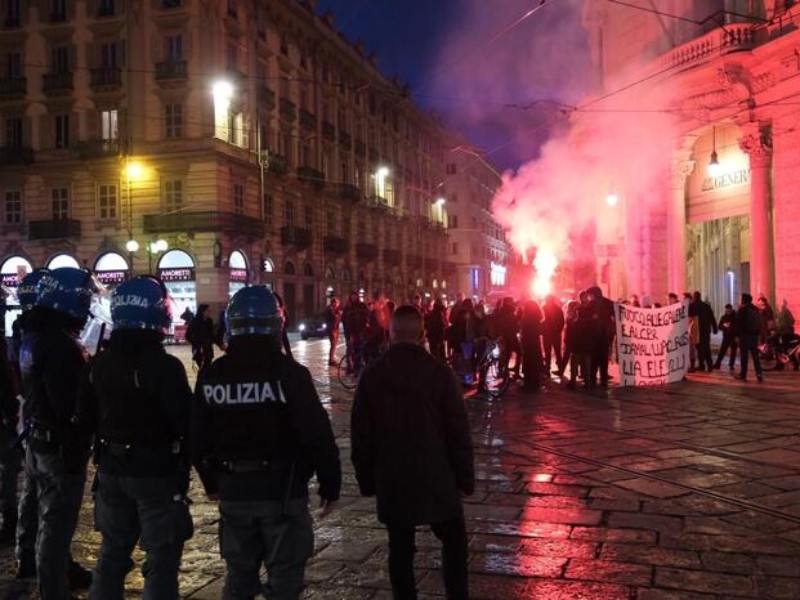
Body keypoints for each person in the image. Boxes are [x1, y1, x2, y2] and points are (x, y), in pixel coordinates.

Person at [191, 286, 341, 600]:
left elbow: (198, 435)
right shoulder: (290, 374)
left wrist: (210, 480)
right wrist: (330, 483)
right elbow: (317, 432)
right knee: (285, 581)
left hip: (234, 489)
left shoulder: (212, 375)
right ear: (276, 323)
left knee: (238, 579)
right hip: (282, 491)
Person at [75, 276, 194, 599]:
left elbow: (83, 419)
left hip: (112, 468)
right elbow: (185, 421)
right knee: (161, 559)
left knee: (112, 553)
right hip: (156, 471)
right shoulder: (165, 367)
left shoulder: (98, 363)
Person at [351, 305, 474, 600]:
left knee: (400, 547)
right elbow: (458, 432)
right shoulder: (439, 373)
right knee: (454, 542)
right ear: (421, 335)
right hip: (437, 474)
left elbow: (361, 436)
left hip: (393, 476)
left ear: (391, 333)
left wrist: (367, 481)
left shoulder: (372, 375)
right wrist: (464, 479)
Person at [19, 267, 97, 598]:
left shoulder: (34, 335)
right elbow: (67, 405)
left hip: (37, 438)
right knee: (56, 526)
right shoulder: (62, 346)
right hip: (58, 447)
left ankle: (35, 566)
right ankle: (54, 589)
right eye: (84, 299)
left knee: (38, 512)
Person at [587, 286, 614, 388]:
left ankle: (602, 380)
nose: (590, 297)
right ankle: (594, 379)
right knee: (595, 359)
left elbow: (615, 314)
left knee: (602, 359)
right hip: (594, 336)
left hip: (604, 335)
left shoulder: (607, 303)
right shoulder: (591, 304)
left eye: (590, 295)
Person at [735, 293, 763, 382]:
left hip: (745, 335)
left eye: (741, 298)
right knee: (755, 356)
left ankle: (743, 374)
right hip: (754, 335)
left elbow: (738, 324)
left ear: (743, 300)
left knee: (744, 356)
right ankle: (759, 374)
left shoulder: (742, 310)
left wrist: (737, 336)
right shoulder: (755, 309)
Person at [519, 299, 543, 391]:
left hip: (529, 344)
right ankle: (534, 383)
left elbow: (523, 329)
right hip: (534, 343)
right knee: (534, 364)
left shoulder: (528, 319)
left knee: (529, 364)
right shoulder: (537, 318)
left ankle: (528, 384)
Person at [692, 291, 717, 372]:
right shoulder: (706, 306)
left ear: (694, 297)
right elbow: (712, 318)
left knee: (699, 349)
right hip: (706, 330)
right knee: (706, 348)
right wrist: (715, 328)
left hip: (698, 330)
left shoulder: (693, 306)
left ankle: (702, 365)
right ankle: (709, 366)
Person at [185, 303, 215, 370]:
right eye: (208, 310)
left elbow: (212, 334)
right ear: (203, 311)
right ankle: (202, 379)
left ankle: (206, 379)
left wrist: (211, 341)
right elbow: (187, 335)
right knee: (201, 367)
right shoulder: (195, 321)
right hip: (198, 348)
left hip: (208, 347)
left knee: (208, 366)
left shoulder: (209, 321)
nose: (210, 312)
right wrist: (195, 342)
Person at [542, 295, 564, 376]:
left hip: (547, 333)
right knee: (557, 352)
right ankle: (560, 369)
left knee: (548, 352)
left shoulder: (544, 308)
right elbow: (562, 321)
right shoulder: (558, 309)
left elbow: (542, 321)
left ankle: (547, 369)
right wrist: (558, 330)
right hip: (555, 334)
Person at [775, 299, 799, 370]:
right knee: (784, 348)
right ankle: (790, 364)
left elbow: (791, 321)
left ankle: (782, 364)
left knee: (784, 348)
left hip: (785, 332)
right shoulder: (781, 311)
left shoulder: (785, 311)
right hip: (783, 332)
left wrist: (785, 326)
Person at [714, 304, 738, 371]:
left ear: (731, 309)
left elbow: (737, 327)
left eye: (728, 310)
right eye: (726, 310)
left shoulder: (735, 317)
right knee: (722, 350)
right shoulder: (723, 317)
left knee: (733, 351)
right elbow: (719, 326)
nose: (727, 311)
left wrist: (731, 327)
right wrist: (724, 325)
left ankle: (731, 365)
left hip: (733, 336)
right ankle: (718, 364)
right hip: (726, 336)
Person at [325, 297, 342, 366]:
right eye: (335, 303)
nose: (337, 304)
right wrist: (338, 315)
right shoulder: (330, 310)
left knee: (334, 345)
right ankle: (331, 360)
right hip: (332, 329)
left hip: (336, 329)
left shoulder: (336, 310)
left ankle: (332, 359)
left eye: (337, 303)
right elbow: (335, 317)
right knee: (333, 345)